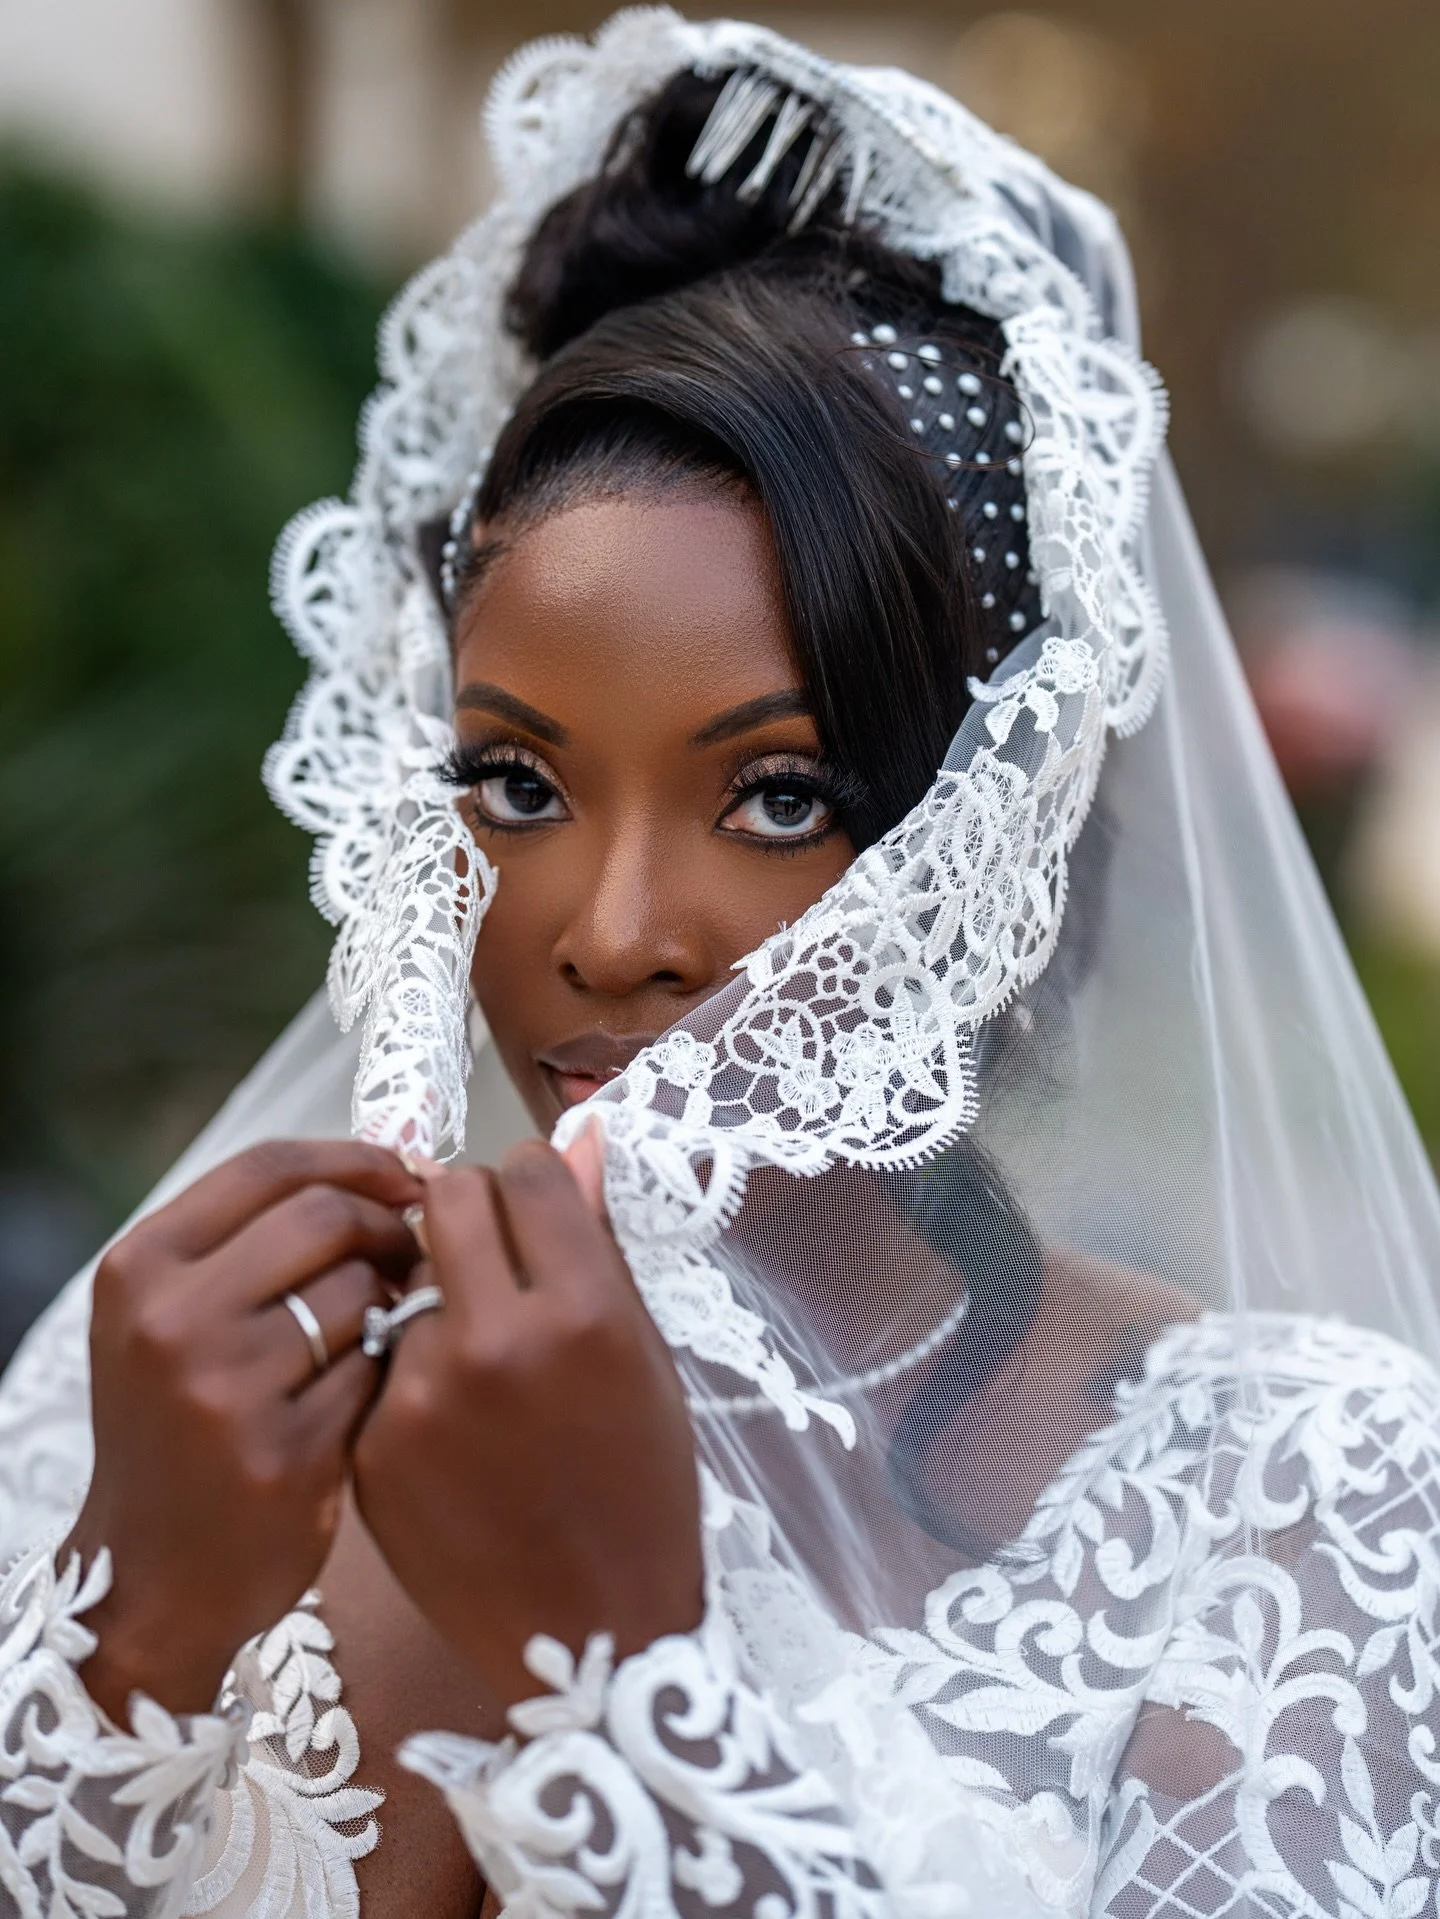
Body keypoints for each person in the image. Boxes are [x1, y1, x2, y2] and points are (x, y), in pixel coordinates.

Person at [4, 14, 1440, 1918]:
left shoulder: (1297, 1500)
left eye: (776, 796)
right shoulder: (154, 1400)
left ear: (983, 836)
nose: (604, 932)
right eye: (513, 780)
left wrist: (621, 1693)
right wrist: (127, 1640)